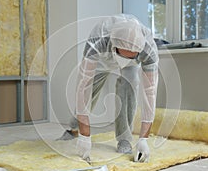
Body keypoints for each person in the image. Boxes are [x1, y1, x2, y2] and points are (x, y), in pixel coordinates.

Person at [59, 14, 159, 163]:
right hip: (103, 59)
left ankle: (124, 139)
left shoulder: (148, 49)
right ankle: (74, 129)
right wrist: (85, 135)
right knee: (90, 89)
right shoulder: (99, 38)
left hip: (132, 66)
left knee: (130, 85)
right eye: (124, 56)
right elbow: (83, 85)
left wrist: (144, 138)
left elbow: (150, 93)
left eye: (132, 56)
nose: (125, 61)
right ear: (114, 46)